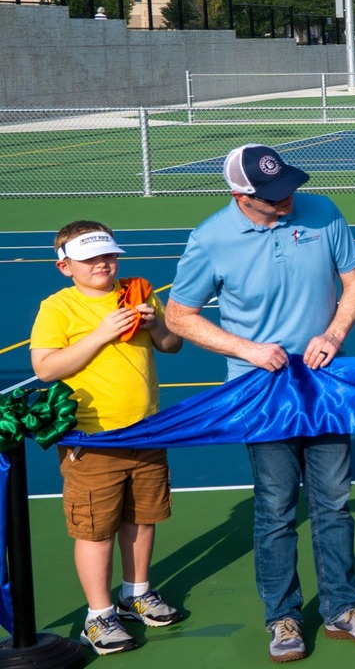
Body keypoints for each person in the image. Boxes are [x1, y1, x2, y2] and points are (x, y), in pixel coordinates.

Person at [162, 145, 355, 662]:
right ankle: (284, 617)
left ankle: (342, 607)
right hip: (261, 392)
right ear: (241, 195)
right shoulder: (211, 239)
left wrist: (334, 333)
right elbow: (178, 316)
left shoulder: (323, 210)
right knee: (276, 509)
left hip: (324, 384)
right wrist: (247, 349)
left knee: (334, 502)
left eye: (288, 185)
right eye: (272, 194)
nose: (287, 197)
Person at [31, 223, 188, 656]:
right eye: (91, 260)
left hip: (145, 429)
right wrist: (101, 333)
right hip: (92, 437)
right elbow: (46, 369)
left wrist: (157, 327)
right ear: (66, 267)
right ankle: (98, 616)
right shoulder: (58, 307)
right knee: (96, 529)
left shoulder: (137, 291)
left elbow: (172, 345)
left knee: (142, 517)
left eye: (109, 256)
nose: (103, 265)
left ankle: (136, 594)